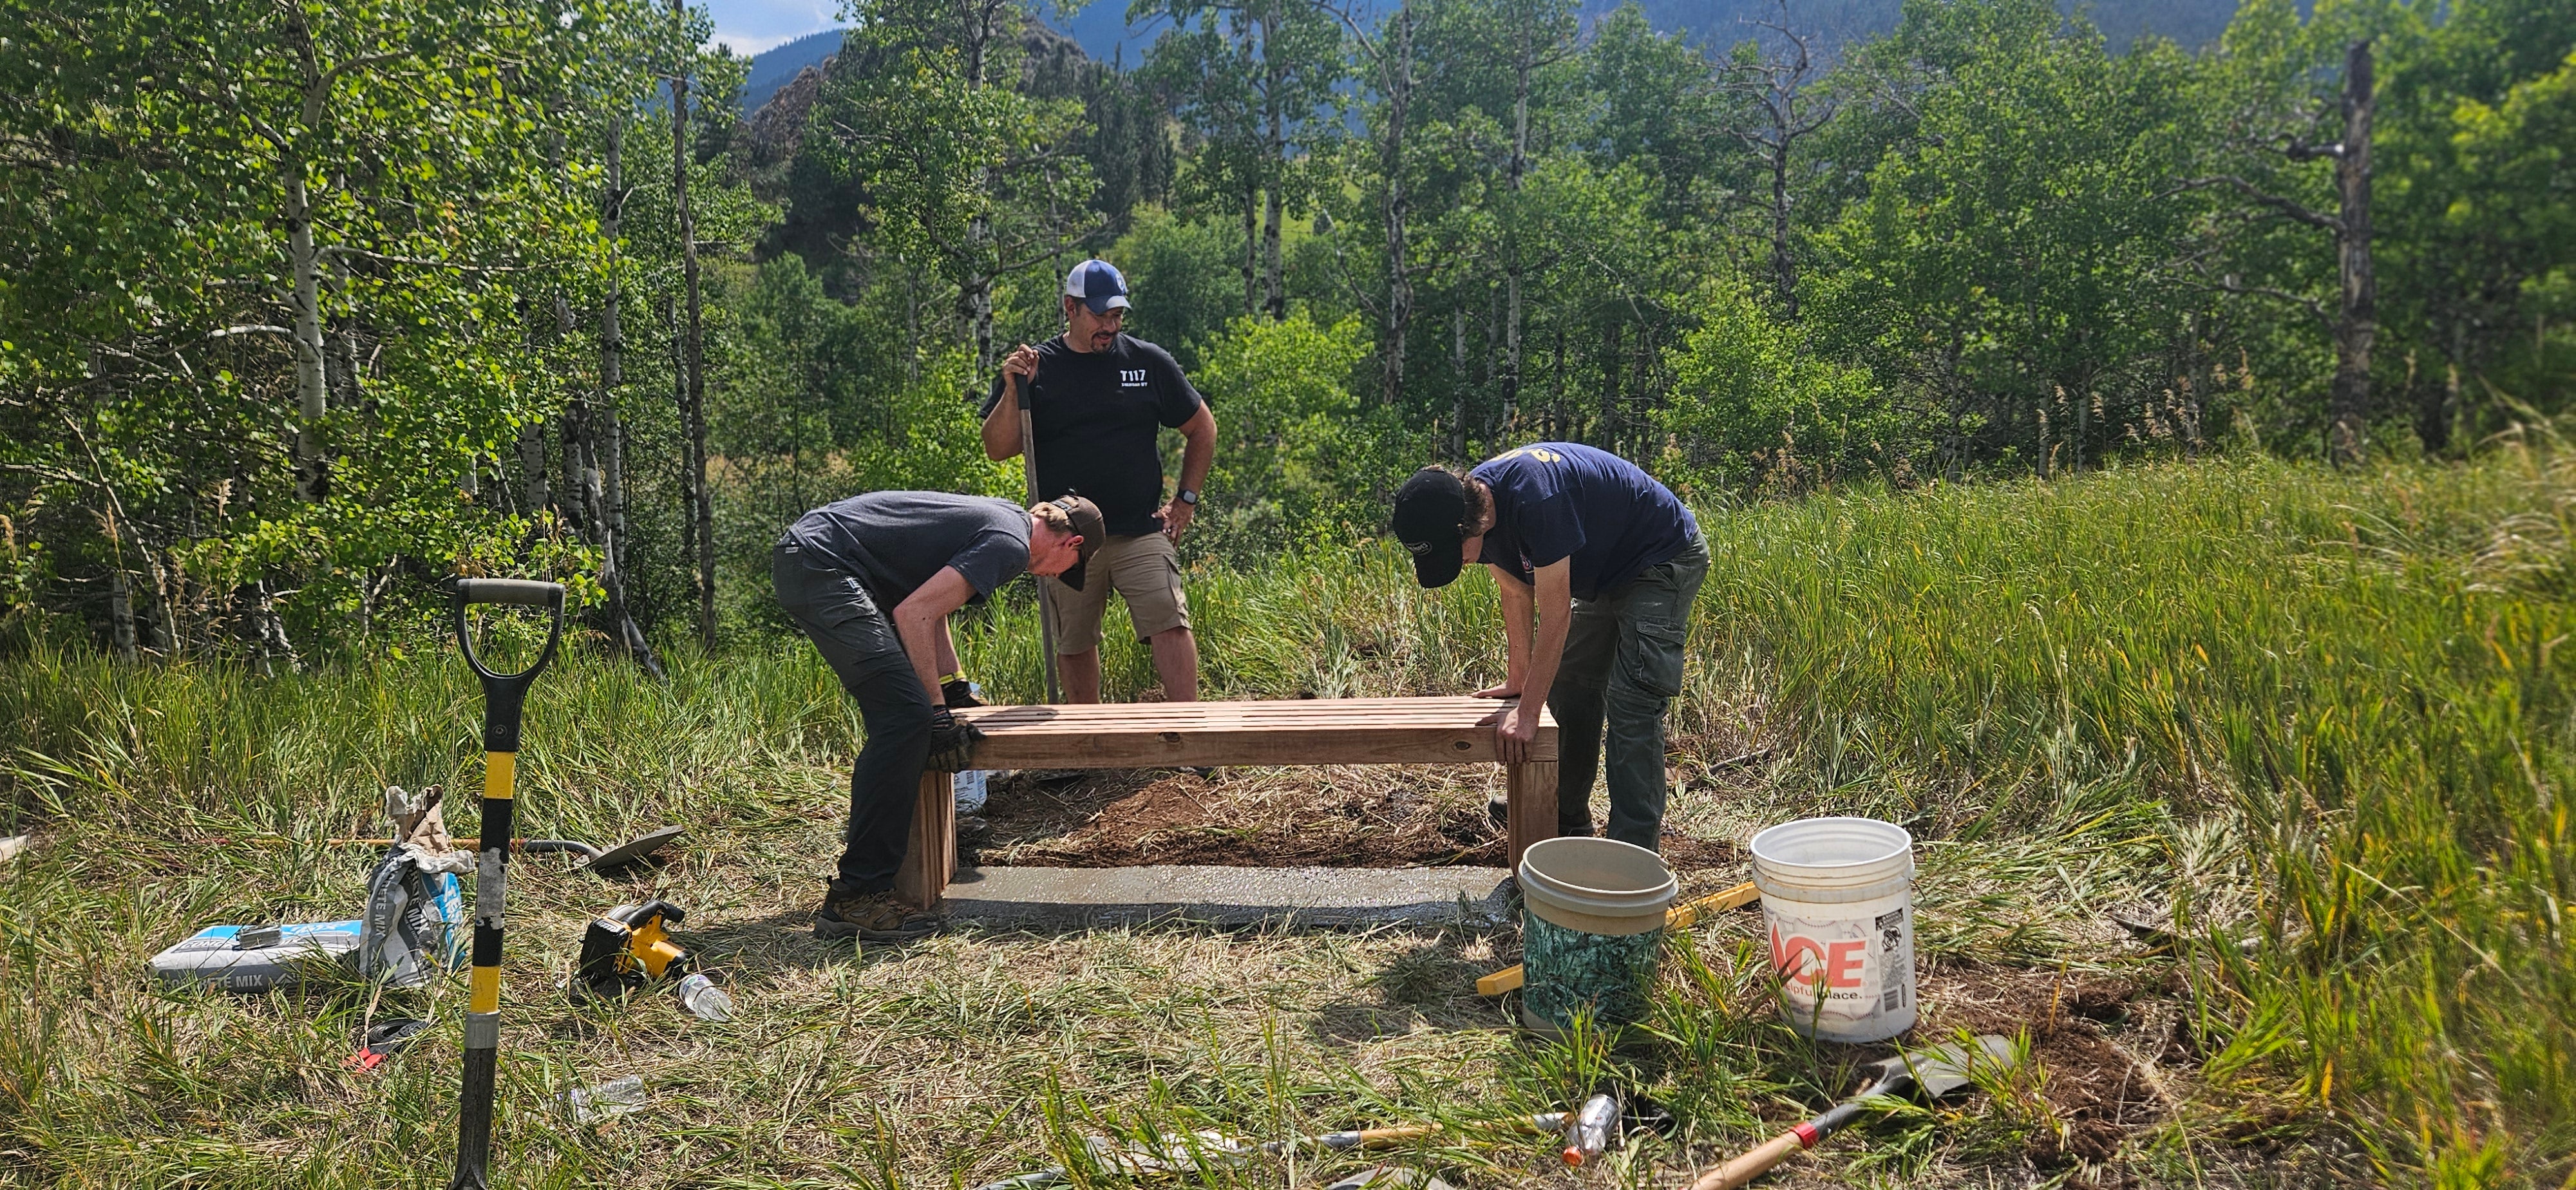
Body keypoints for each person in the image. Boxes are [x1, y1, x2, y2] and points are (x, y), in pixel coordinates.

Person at [774, 490, 1106, 939]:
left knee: (905, 720)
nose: (1054, 578)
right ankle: (855, 898)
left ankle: (865, 882)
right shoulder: (1010, 545)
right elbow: (914, 614)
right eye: (1070, 570)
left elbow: (931, 601)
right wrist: (934, 713)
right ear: (1072, 545)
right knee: (907, 721)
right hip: (824, 565)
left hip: (818, 556)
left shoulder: (1005, 520)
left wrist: (952, 689)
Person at [1391, 444, 1708, 851]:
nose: (1464, 563)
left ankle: (1632, 855)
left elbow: (1557, 618)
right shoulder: (1467, 503)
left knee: (1633, 703)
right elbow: (1515, 591)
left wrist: (1526, 716)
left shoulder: (1537, 499)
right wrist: (1519, 681)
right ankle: (1566, 815)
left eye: (1454, 554)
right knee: (1572, 686)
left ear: (1475, 521)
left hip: (1660, 558)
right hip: (1605, 571)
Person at [981, 258, 1217, 703]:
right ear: (1070, 308)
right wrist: (1015, 389)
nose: (1111, 325)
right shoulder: (1037, 368)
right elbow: (998, 448)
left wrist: (1185, 501)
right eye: (1100, 315)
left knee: (1168, 617)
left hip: (1140, 527)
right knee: (1074, 640)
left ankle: (1194, 734)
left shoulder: (1147, 362)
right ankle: (1092, 746)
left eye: (1117, 315)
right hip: (1065, 539)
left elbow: (1202, 427)